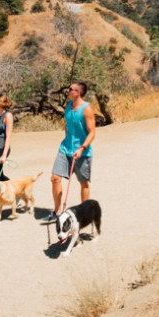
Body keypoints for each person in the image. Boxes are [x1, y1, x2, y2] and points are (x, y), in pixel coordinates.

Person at [48, 81, 96, 221]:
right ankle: (57, 212)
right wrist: (67, 140)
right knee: (55, 178)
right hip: (65, 149)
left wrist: (81, 148)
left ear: (78, 92)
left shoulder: (87, 109)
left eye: (70, 89)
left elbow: (92, 133)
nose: (67, 91)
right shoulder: (68, 106)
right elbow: (67, 126)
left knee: (83, 183)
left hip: (82, 152)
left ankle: (84, 213)